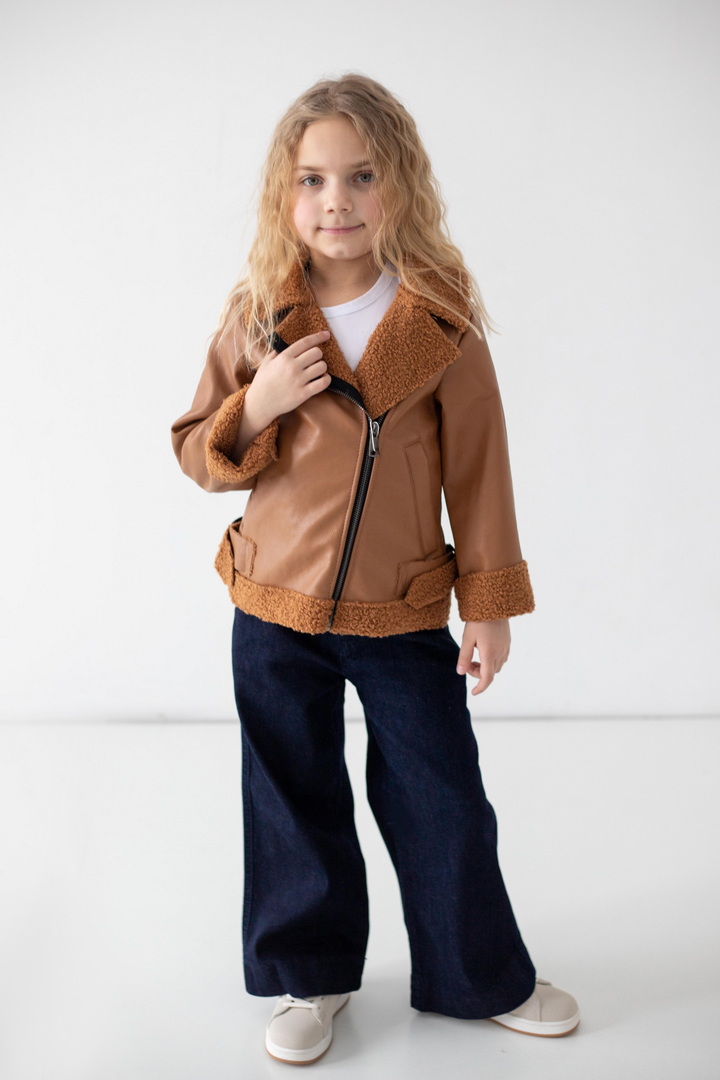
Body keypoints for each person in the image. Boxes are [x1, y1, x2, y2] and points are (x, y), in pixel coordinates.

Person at [171, 72, 579, 1066]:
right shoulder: (259, 316)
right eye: (312, 180)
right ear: (285, 193)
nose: (337, 202)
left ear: (401, 184)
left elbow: (480, 474)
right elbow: (196, 450)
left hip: (399, 608)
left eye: (362, 176)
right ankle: (311, 977)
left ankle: (479, 975)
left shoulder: (440, 321)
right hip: (274, 605)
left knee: (442, 798)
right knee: (289, 799)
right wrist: (259, 403)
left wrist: (489, 607)